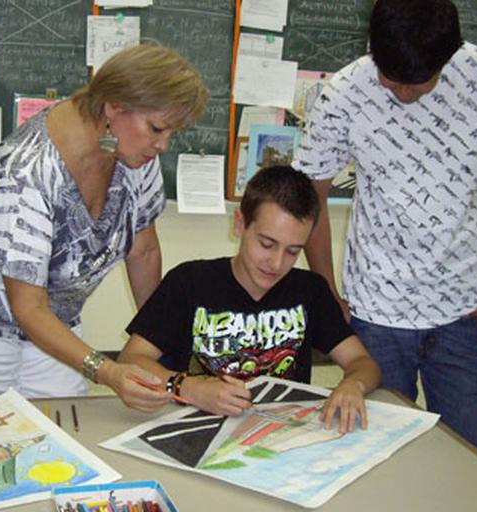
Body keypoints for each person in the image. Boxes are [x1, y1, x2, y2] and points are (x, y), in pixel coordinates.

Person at [292, 0, 477, 455]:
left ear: (449, 56)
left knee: (470, 461)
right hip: (376, 312)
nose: (402, 93)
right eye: (390, 78)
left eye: (417, 83)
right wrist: (326, 291)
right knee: (371, 457)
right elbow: (310, 199)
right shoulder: (344, 92)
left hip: (467, 311)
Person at [0, 45, 208, 410]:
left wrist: (158, 347)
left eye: (172, 131)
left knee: (66, 425)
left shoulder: (136, 153)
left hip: (56, 313)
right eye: (157, 128)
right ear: (113, 106)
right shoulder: (26, 170)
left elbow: (144, 250)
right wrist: (108, 372)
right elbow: (28, 308)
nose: (163, 144)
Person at [119, 166, 381, 433]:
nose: (277, 263)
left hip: (278, 433)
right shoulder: (189, 283)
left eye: (293, 251)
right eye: (266, 244)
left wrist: (353, 385)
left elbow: (363, 363)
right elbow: (131, 359)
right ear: (239, 224)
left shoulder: (310, 291)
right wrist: (187, 387)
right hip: (197, 427)